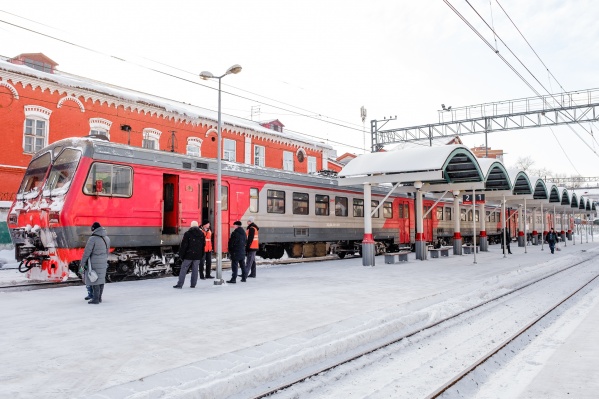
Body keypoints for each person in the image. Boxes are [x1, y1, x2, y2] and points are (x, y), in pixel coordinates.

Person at [80, 222, 110, 304]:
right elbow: (107, 251)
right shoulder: (106, 238)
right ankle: (99, 298)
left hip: (94, 262)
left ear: (94, 229)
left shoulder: (92, 239)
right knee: (100, 279)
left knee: (94, 279)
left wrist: (82, 263)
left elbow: (87, 252)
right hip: (103, 261)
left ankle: (95, 299)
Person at [174, 221, 205, 289]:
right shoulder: (202, 234)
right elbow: (203, 245)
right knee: (195, 270)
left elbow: (184, 246)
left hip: (188, 255)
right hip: (197, 256)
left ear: (191, 226)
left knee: (183, 269)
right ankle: (193, 284)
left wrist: (181, 255)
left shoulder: (187, 234)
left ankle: (180, 284)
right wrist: (201, 255)